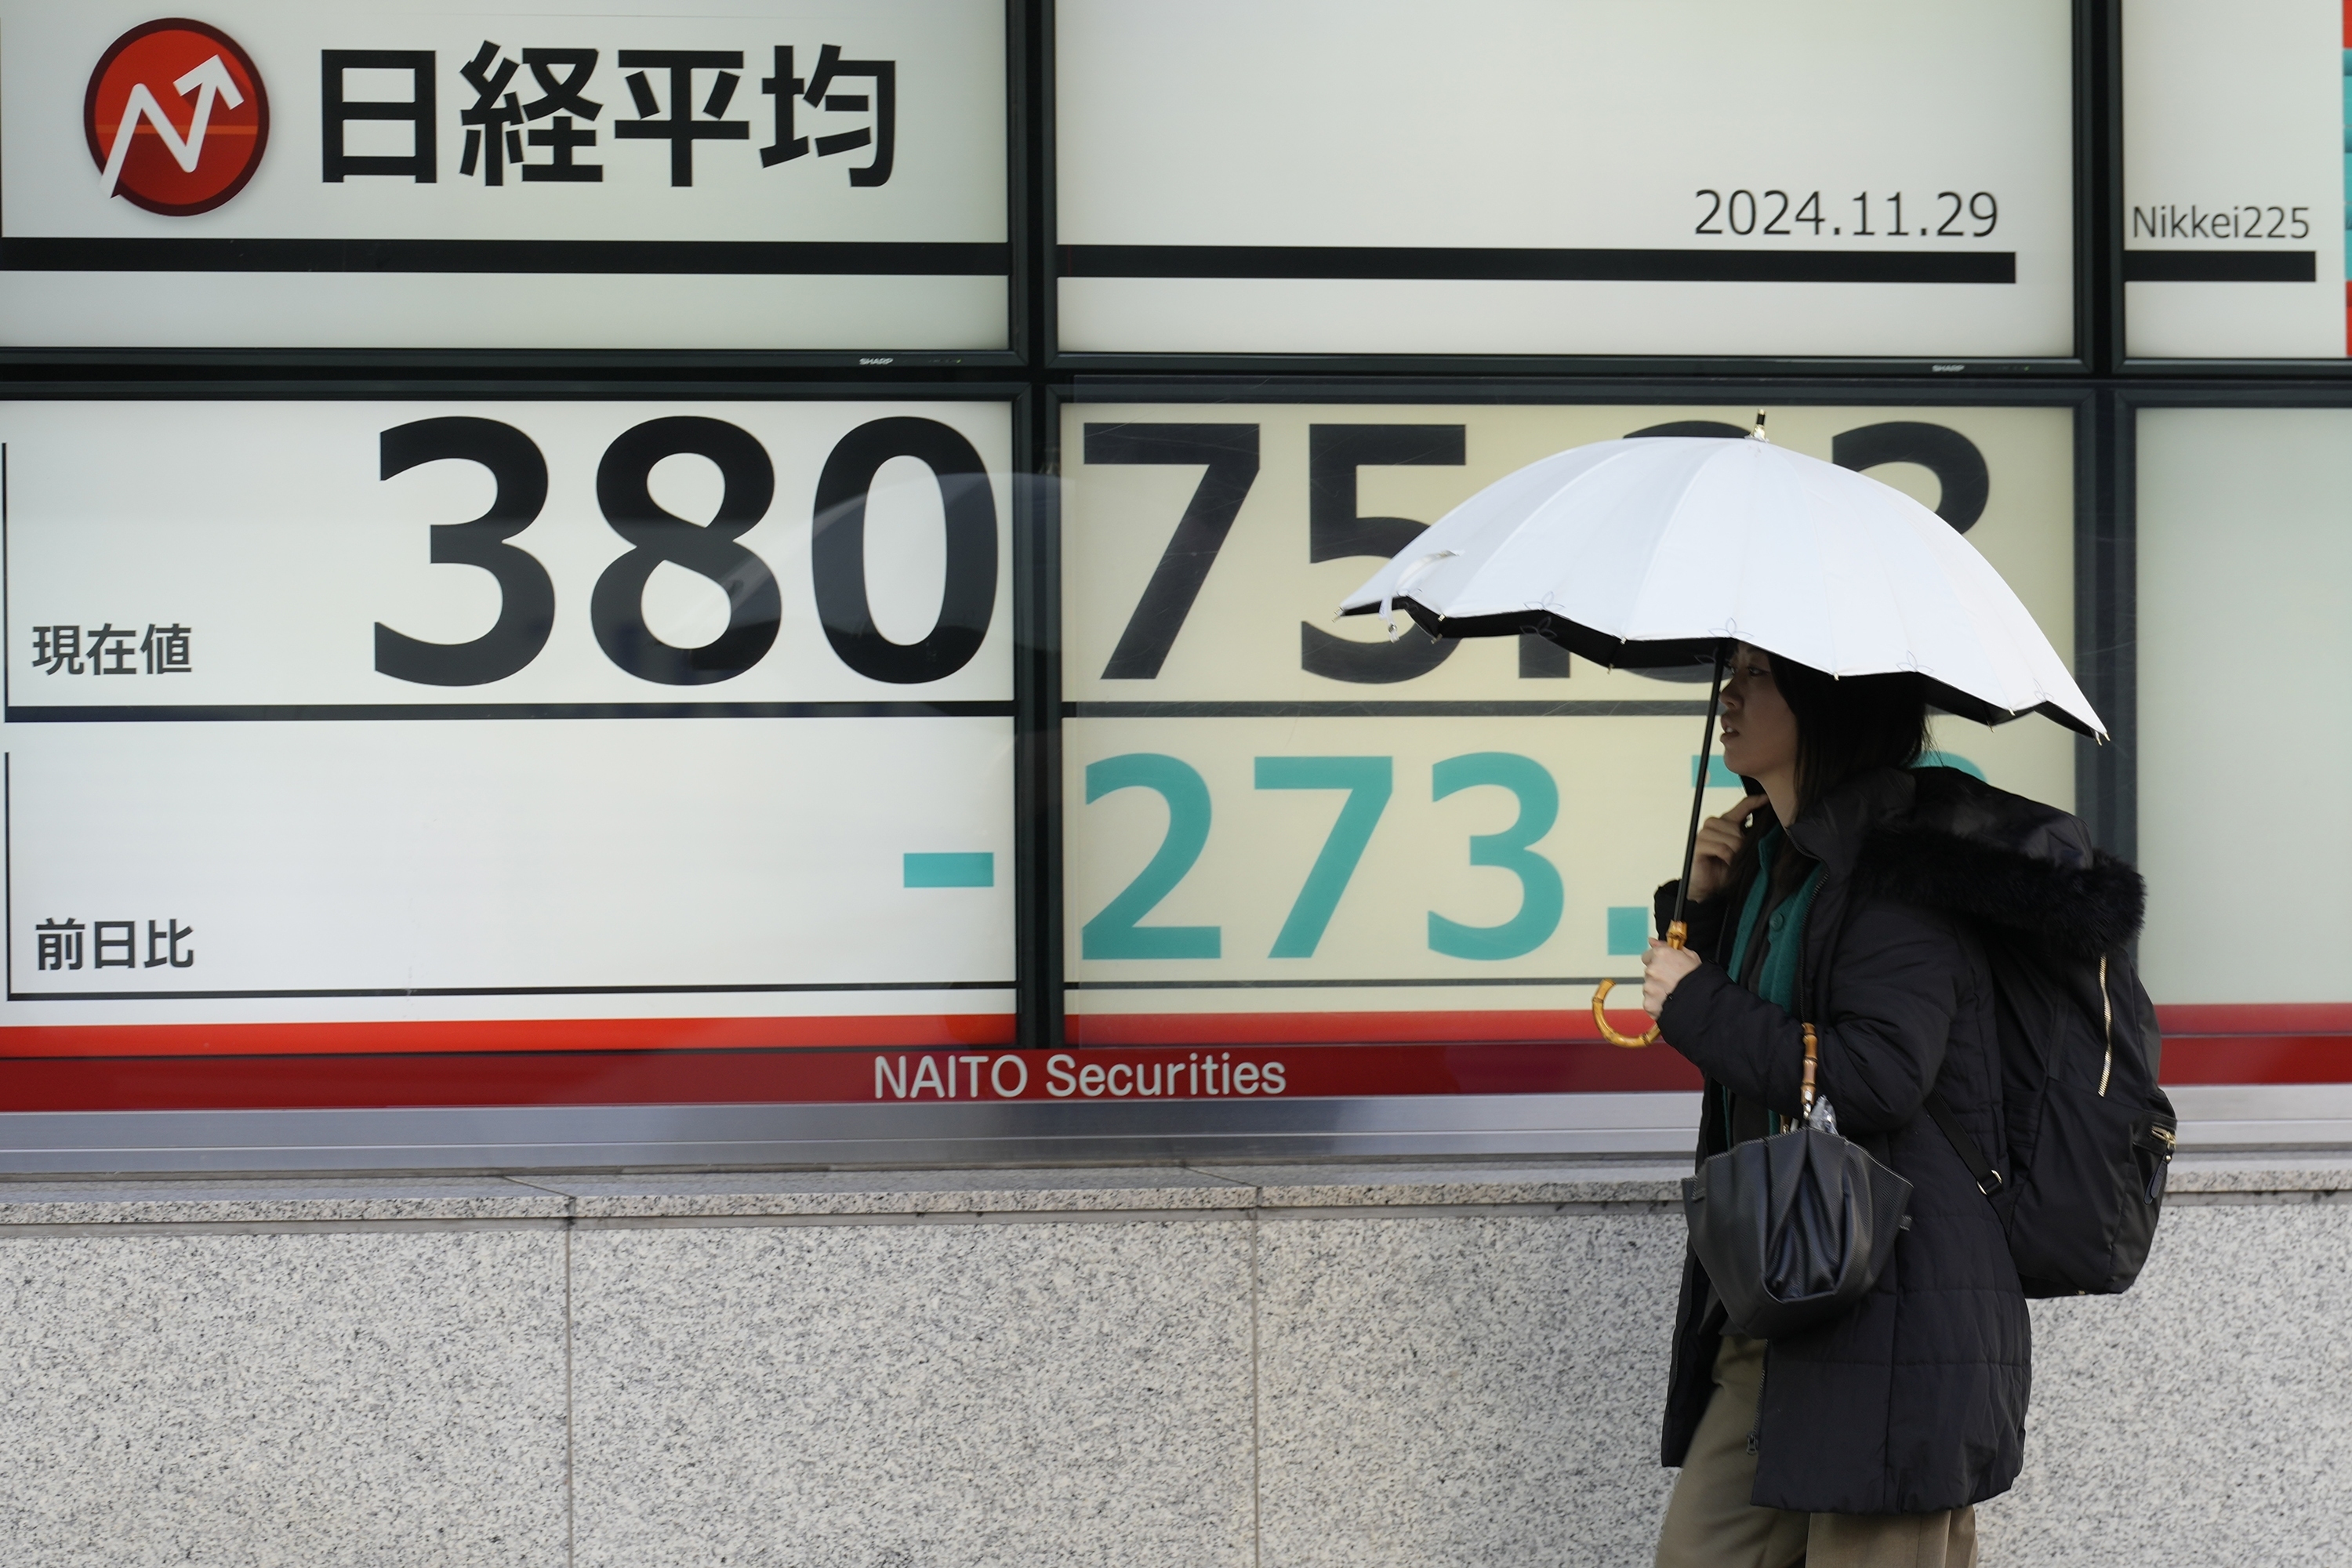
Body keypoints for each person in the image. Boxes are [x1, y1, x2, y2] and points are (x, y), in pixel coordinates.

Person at [1639, 643, 2067, 1568]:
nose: (1730, 693)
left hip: (1897, 1317)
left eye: (1757, 675)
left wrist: (1695, 999)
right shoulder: (1783, 867)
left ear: (1827, 702)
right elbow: (1772, 1053)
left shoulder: (1899, 875)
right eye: (1736, 671)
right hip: (1785, 1295)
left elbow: (1877, 1073)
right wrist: (1708, 910)